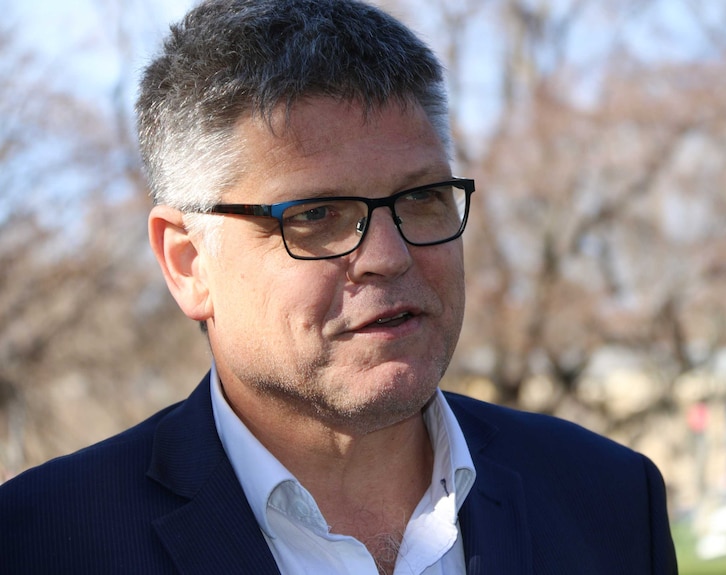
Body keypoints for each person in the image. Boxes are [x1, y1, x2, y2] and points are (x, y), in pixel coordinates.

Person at [0, 0, 678, 573]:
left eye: (421, 198)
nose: (388, 254)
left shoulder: (611, 502)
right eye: (316, 216)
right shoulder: (41, 540)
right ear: (187, 262)